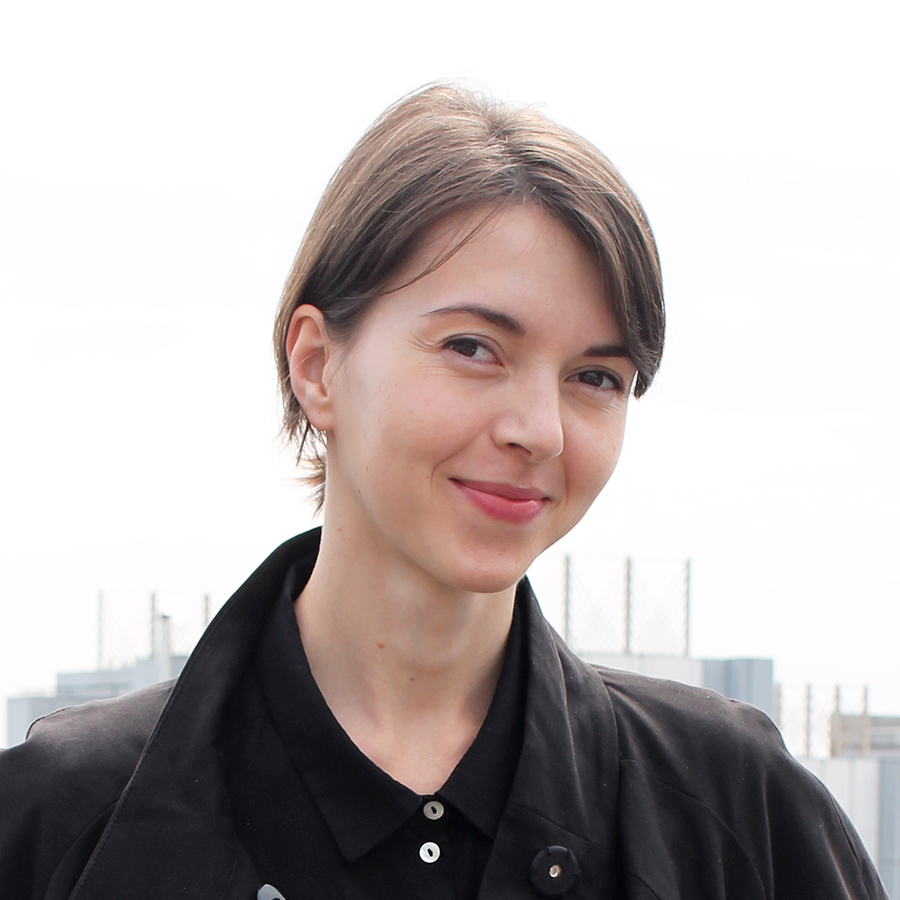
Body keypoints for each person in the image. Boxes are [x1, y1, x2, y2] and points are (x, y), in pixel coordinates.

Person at [0, 84, 886, 900]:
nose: (538, 428)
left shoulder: (737, 820)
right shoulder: (62, 826)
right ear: (316, 365)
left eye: (597, 377)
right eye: (473, 347)